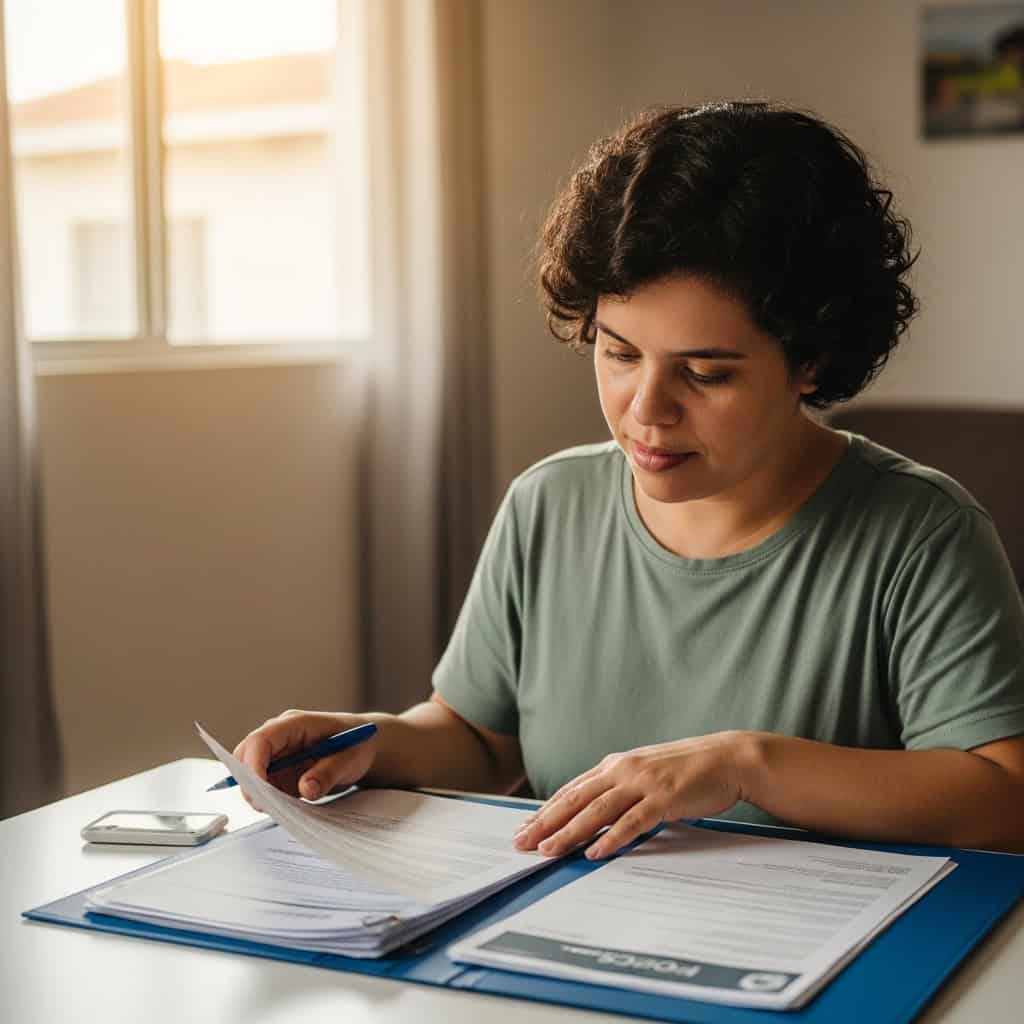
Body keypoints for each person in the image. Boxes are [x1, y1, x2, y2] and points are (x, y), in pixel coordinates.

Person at [235, 102, 1024, 857]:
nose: (646, 410)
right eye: (617, 353)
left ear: (810, 362)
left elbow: (1002, 799)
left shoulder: (922, 534)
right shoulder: (548, 505)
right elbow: (477, 740)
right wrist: (367, 741)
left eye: (706, 373)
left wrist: (746, 765)